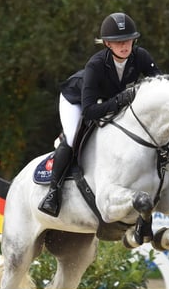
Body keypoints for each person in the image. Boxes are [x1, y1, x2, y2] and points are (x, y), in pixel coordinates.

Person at [39, 12, 161, 217]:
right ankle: (53, 192)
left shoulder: (141, 57)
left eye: (128, 40)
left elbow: (159, 84)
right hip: (76, 101)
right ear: (107, 44)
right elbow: (88, 112)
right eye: (118, 41)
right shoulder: (95, 65)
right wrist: (119, 101)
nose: (125, 45)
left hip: (106, 100)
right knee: (71, 138)